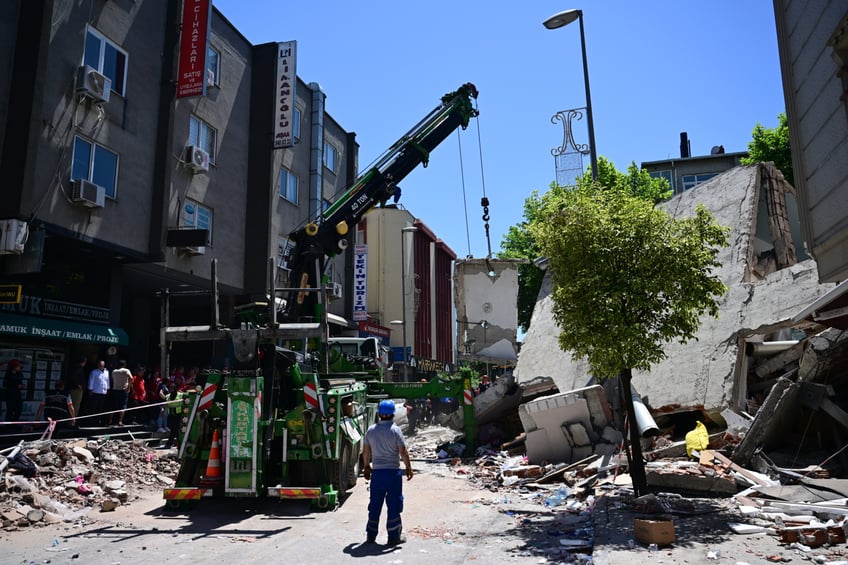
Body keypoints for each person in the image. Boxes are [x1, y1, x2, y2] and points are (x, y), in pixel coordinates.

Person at [362, 399, 414, 545]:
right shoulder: (395, 430)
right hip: (393, 474)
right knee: (394, 505)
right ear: (393, 414)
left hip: (377, 475)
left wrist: (366, 466)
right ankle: (393, 537)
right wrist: (409, 467)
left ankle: (371, 535)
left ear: (379, 413)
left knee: (375, 505)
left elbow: (366, 451)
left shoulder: (371, 430)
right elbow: (403, 452)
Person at [107, 360, 133, 426]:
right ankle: (120, 421)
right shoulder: (126, 370)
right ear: (124, 365)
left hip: (115, 389)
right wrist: (129, 387)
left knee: (113, 405)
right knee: (123, 406)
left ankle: (110, 420)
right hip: (123, 390)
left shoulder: (114, 371)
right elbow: (131, 378)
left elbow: (112, 379)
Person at [87, 359, 109, 426]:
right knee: (93, 407)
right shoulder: (94, 372)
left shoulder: (107, 372)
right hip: (95, 392)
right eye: (99, 365)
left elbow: (107, 381)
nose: (101, 366)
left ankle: (97, 421)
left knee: (100, 407)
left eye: (102, 365)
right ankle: (91, 421)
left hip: (103, 392)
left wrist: (107, 389)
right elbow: (91, 381)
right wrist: (90, 390)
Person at [3, 359, 25, 424]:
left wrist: (22, 386)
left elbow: (20, 382)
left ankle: (15, 424)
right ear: (14, 366)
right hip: (10, 395)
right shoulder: (8, 374)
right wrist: (16, 386)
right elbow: (5, 385)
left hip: (17, 394)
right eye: (18, 366)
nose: (20, 367)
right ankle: (8, 426)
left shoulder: (19, 374)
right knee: (10, 410)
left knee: (18, 410)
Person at [67, 356, 87, 420]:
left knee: (73, 405)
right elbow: (74, 377)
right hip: (76, 390)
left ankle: (71, 420)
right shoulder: (78, 368)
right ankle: (72, 421)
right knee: (75, 405)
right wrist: (79, 385)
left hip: (74, 389)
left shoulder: (75, 367)